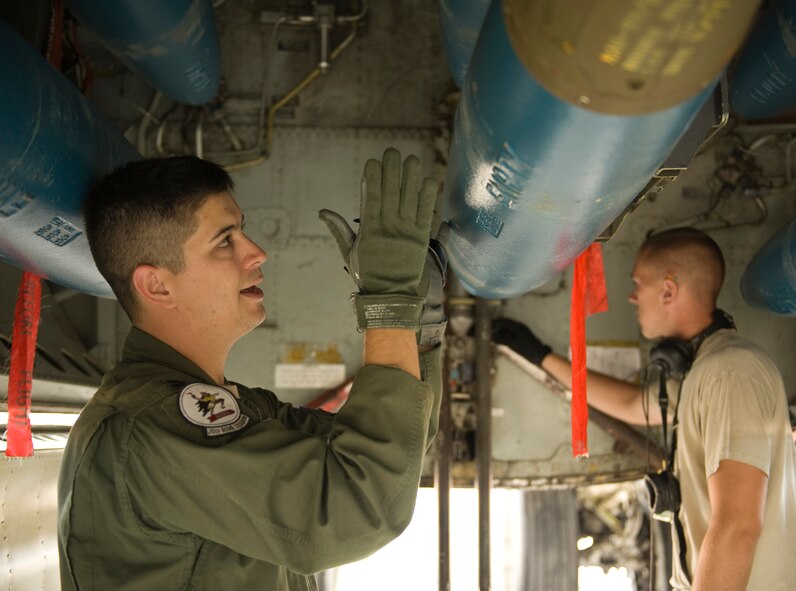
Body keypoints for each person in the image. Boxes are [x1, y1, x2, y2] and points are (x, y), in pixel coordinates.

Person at [57, 148, 446, 590]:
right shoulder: (152, 425)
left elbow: (392, 450)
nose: (257, 252)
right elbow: (354, 506)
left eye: (242, 232)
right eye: (225, 241)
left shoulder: (225, 406)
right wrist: (390, 301)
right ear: (157, 285)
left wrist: (421, 324)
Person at [493, 228, 796, 591]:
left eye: (639, 283)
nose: (634, 297)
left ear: (668, 290)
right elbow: (632, 404)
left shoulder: (731, 374)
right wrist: (540, 355)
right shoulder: (701, 373)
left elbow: (738, 525)